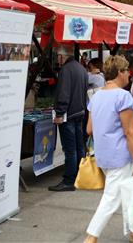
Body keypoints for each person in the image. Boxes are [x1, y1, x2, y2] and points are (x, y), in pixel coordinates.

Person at [84, 55, 133, 243]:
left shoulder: (96, 96)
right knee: (112, 197)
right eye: (127, 70)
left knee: (129, 191)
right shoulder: (123, 96)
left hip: (103, 153)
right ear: (120, 73)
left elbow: (89, 129)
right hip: (120, 155)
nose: (129, 74)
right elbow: (129, 132)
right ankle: (91, 236)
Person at [48, 48, 88, 192]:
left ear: (62, 56)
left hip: (68, 115)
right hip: (79, 112)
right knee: (79, 146)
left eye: (58, 56)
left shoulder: (66, 70)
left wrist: (59, 113)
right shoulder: (81, 68)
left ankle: (69, 181)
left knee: (70, 149)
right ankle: (80, 176)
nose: (57, 59)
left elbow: (64, 93)